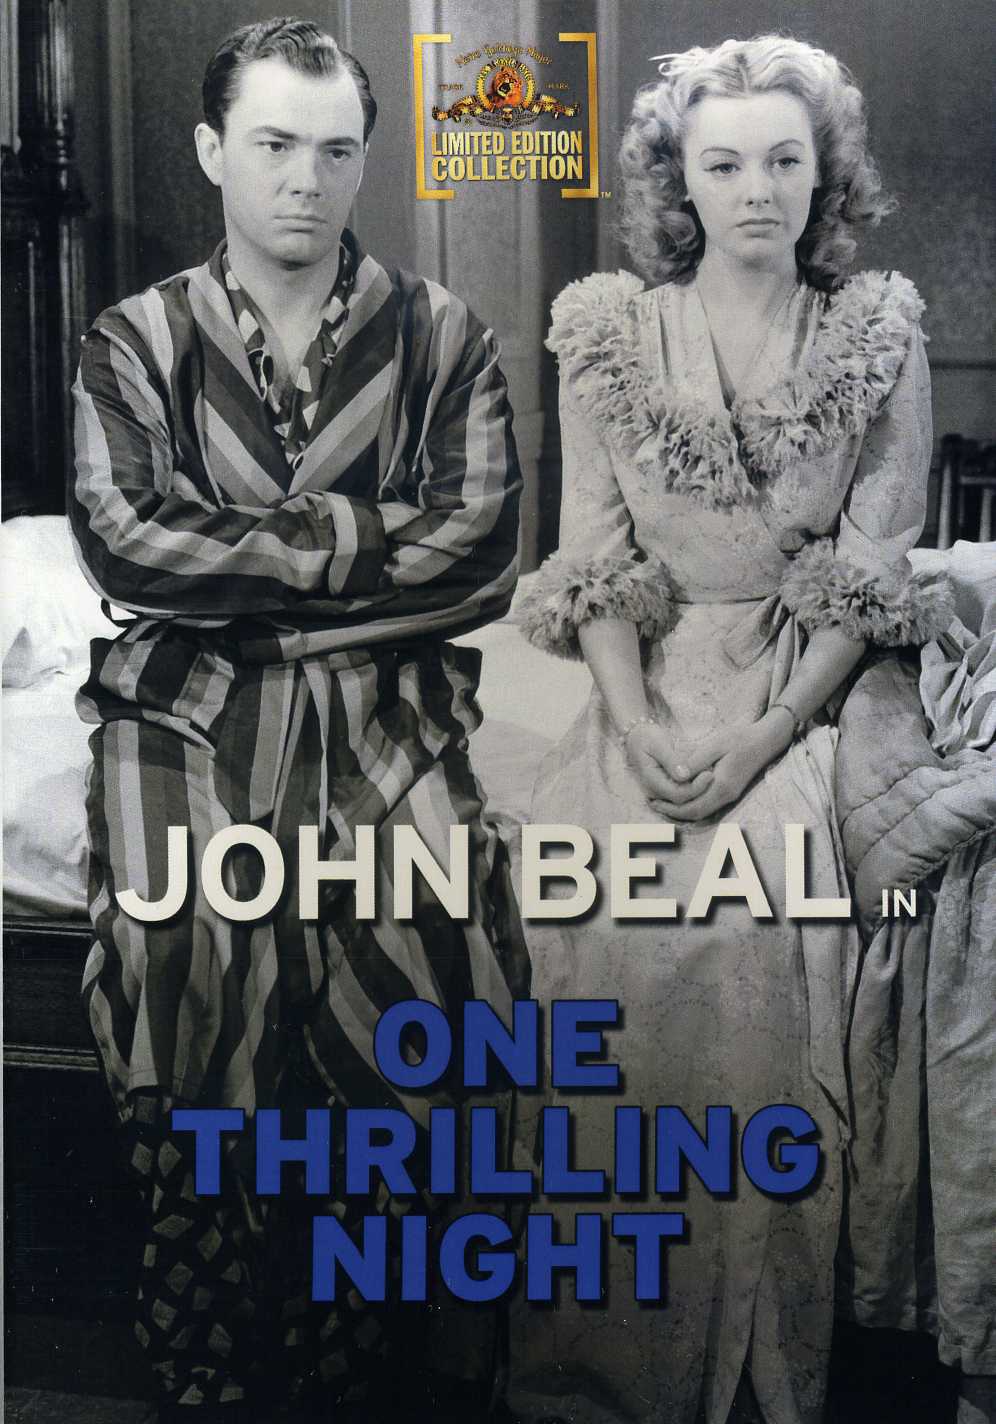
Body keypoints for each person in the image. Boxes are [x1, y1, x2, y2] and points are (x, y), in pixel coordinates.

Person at [69, 17, 528, 1422]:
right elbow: (127, 548)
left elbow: (484, 552)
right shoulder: (134, 340)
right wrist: (358, 542)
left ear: (366, 160)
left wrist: (248, 563)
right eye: (273, 145)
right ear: (214, 151)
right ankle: (202, 1339)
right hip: (183, 703)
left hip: (388, 706)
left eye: (336, 151)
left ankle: (353, 1348)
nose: (305, 181)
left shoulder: (443, 334)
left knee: (432, 937)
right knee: (179, 937)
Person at [512, 34, 949, 1424]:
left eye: (783, 159)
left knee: (760, 922)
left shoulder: (879, 330)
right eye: (723, 163)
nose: (756, 188)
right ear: (679, 182)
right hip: (644, 679)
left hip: (812, 680)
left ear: (825, 178)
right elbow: (592, 556)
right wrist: (636, 725)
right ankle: (608, 1366)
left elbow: (872, 568)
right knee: (605, 920)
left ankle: (760, 1367)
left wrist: (766, 738)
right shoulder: (607, 333)